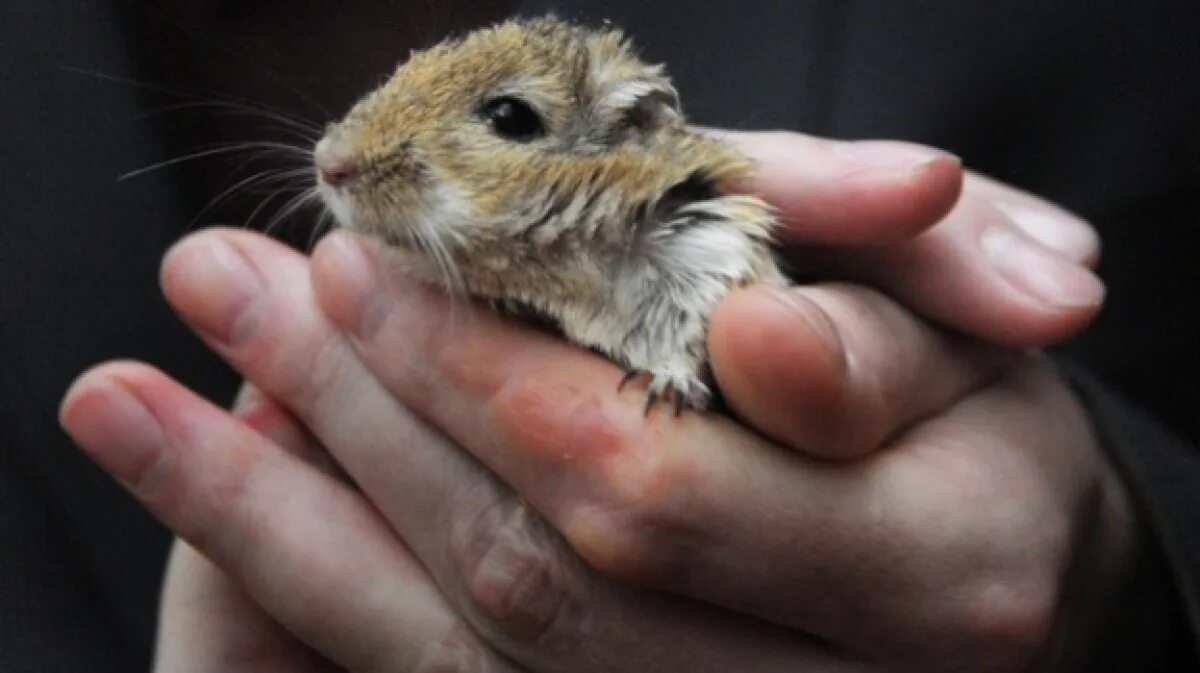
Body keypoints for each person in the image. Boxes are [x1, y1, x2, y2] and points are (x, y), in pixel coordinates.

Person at [6, 1, 1199, 671]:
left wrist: (1122, 568)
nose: (340, 162)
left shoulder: (692, 236)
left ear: (636, 139)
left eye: (508, 123)